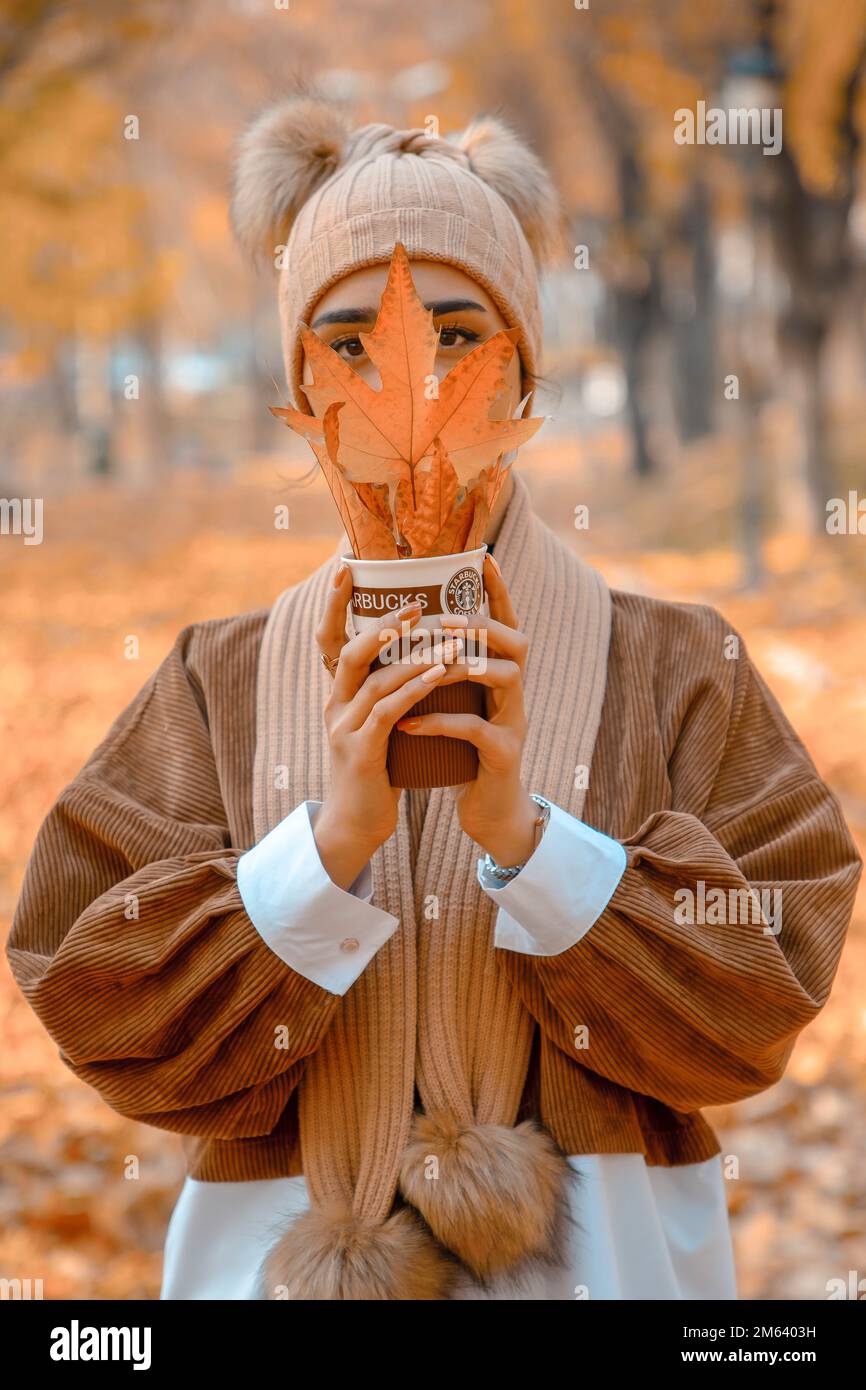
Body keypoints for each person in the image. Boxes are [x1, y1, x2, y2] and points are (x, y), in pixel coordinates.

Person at [7, 97, 861, 1302]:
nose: (406, 392)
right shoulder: (221, 677)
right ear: (300, 386)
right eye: (344, 344)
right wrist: (325, 847)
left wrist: (533, 843)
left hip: (597, 1270)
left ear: (524, 368)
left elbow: (762, 993)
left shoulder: (673, 662)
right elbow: (88, 988)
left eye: (458, 333)